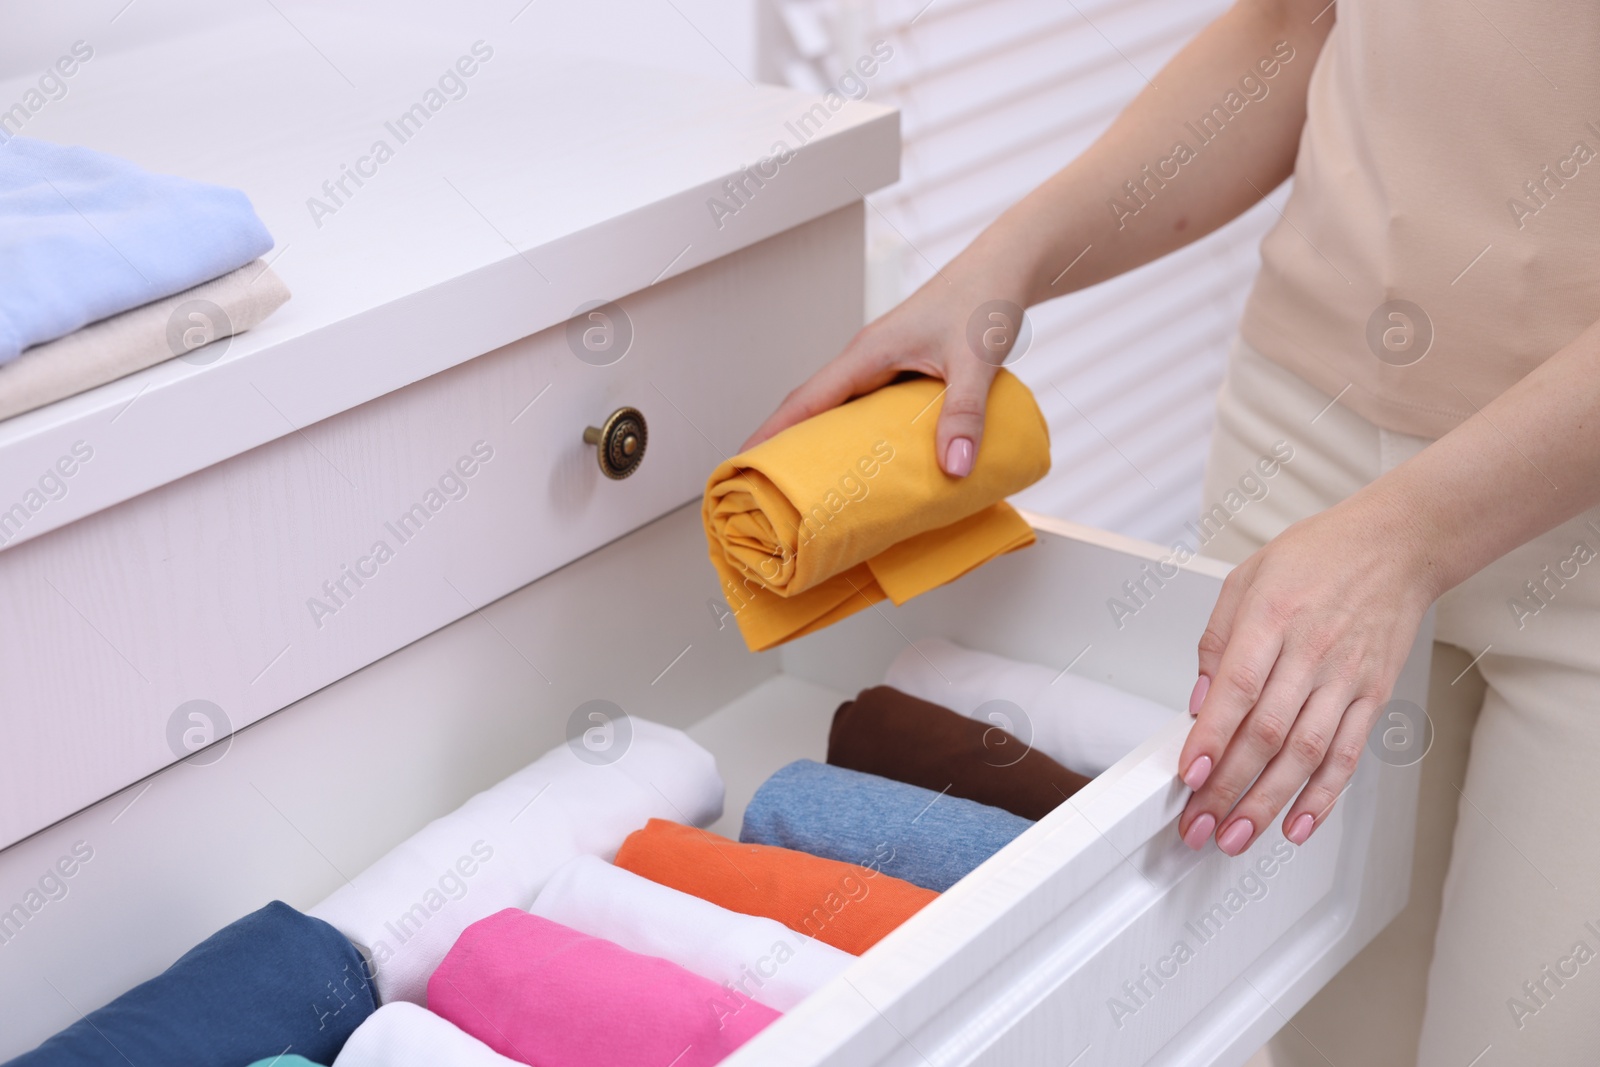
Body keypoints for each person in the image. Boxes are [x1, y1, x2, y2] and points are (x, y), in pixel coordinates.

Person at [743, 0, 1600, 1062]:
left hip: (1578, 545)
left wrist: (1404, 537)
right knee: (1318, 1024)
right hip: (1303, 450)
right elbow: (1292, 27)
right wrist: (1005, 263)